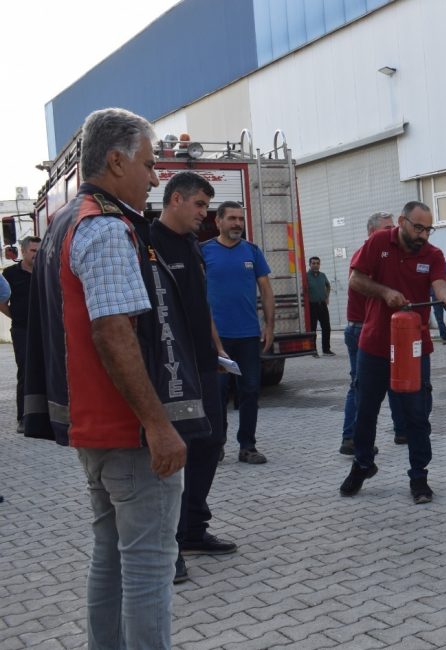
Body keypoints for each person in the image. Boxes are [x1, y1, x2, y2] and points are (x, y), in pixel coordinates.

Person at [23, 107, 209, 649]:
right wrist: (158, 425)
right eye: (150, 164)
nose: (156, 176)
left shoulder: (66, 222)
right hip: (129, 435)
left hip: (95, 432)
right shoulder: (105, 228)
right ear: (115, 159)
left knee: (110, 557)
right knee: (150, 570)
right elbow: (114, 334)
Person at [339, 201, 446, 504]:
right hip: (373, 344)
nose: (423, 234)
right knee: (366, 410)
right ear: (402, 221)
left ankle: (419, 476)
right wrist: (385, 292)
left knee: (416, 415)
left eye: (428, 229)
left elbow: (439, 285)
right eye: (418, 227)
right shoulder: (379, 242)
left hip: (413, 348)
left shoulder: (432, 255)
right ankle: (363, 464)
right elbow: (356, 279)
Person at [149, 171, 236, 584]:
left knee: (211, 442)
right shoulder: (146, 243)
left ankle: (193, 531)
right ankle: (167, 548)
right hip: (170, 368)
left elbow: (202, 304)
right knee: (176, 453)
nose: (206, 214)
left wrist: (218, 350)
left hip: (203, 363)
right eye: (200, 205)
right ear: (176, 200)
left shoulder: (191, 245)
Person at [201, 201, 275, 464]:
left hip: (248, 336)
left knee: (251, 391)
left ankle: (248, 447)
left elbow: (266, 290)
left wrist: (269, 326)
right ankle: (216, 444)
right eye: (232, 218)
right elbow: (195, 294)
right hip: (216, 339)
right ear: (218, 221)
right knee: (218, 393)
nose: (237, 224)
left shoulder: (252, 251)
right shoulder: (203, 251)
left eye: (241, 219)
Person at [341, 212, 395, 455]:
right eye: (387, 228)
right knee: (361, 385)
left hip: (369, 328)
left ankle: (402, 429)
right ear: (372, 232)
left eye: (393, 227)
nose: (393, 231)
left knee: (391, 381)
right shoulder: (368, 255)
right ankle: (352, 438)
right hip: (361, 329)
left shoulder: (382, 254)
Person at [2, 235, 40, 433]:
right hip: (22, 329)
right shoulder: (10, 274)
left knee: (48, 369)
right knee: (25, 371)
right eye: (33, 251)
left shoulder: (46, 271)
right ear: (23, 252)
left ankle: (46, 416)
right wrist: (15, 316)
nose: (37, 255)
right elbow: (2, 301)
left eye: (39, 251)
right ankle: (23, 418)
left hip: (44, 329)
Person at [306, 255, 334, 356]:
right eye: (313, 263)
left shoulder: (322, 275)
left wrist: (326, 297)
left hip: (322, 305)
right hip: (311, 306)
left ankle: (326, 350)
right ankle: (313, 351)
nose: (316, 265)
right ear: (309, 264)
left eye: (317, 263)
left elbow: (328, 285)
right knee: (312, 329)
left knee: (326, 327)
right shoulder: (306, 276)